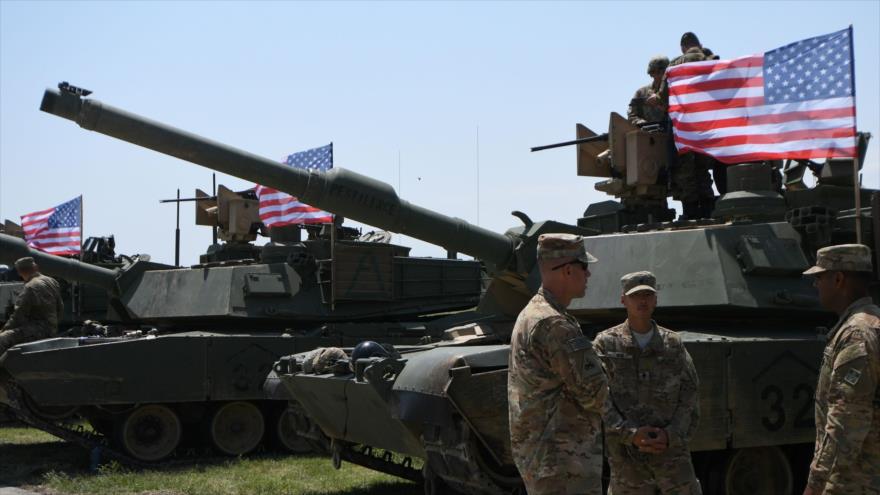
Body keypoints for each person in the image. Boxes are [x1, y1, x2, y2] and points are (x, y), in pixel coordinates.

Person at [508, 233, 607, 494]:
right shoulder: (554, 324)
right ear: (567, 270)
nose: (588, 275)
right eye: (584, 267)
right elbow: (594, 394)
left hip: (546, 458)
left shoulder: (534, 313)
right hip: (563, 462)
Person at [595, 271, 701, 494]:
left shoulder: (673, 343)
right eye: (635, 296)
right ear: (623, 299)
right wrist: (629, 433)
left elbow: (690, 394)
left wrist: (671, 434)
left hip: (671, 455)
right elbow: (598, 398)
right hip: (626, 456)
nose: (642, 301)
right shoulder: (606, 344)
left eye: (647, 295)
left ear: (655, 299)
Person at [802, 244, 879, 495]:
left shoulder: (856, 333)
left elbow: (846, 419)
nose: (816, 286)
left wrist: (815, 483)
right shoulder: (871, 323)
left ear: (838, 279)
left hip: (854, 479)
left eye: (819, 278)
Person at [0, 257, 63, 356]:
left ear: (20, 273)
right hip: (52, 328)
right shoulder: (52, 281)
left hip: (39, 331)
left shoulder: (30, 287)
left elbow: (18, 316)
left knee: (2, 339)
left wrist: (4, 330)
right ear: (36, 267)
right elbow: (60, 307)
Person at [628, 55, 669, 126]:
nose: (658, 75)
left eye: (661, 72)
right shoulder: (641, 93)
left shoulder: (674, 91)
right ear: (650, 74)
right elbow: (632, 115)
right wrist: (640, 122)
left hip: (671, 133)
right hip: (647, 134)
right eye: (654, 72)